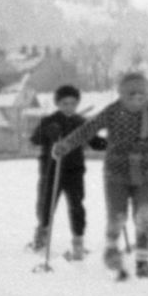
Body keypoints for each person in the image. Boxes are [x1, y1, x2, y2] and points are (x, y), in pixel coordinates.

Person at [52, 72, 148, 280]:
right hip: (117, 172)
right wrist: (67, 144)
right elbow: (87, 129)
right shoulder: (113, 111)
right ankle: (112, 251)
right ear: (122, 95)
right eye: (131, 95)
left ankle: (143, 262)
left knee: (143, 217)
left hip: (145, 172)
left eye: (141, 95)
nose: (137, 100)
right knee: (117, 215)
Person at [29, 84, 106, 257]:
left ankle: (78, 241)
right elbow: (35, 139)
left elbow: (95, 142)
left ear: (77, 103)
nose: (69, 107)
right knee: (47, 205)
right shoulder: (49, 120)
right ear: (58, 103)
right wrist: (48, 132)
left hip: (74, 171)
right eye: (65, 103)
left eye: (72, 103)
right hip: (51, 170)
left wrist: (110, 143)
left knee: (77, 206)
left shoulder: (81, 122)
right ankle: (41, 236)